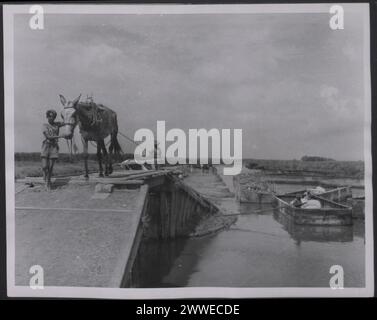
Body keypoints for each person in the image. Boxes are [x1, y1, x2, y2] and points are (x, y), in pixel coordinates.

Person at [41, 110, 63, 190]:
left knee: (50, 167)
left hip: (54, 147)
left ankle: (48, 181)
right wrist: (60, 136)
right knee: (44, 166)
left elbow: (66, 122)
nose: (51, 118)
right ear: (47, 116)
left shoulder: (57, 124)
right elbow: (48, 137)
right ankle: (45, 176)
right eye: (50, 116)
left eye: (53, 117)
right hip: (46, 146)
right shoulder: (45, 125)